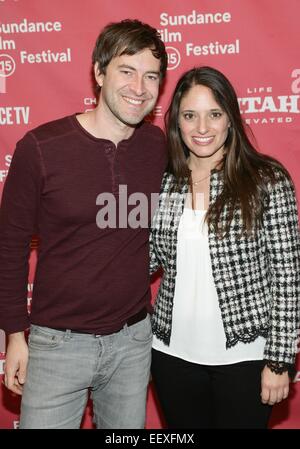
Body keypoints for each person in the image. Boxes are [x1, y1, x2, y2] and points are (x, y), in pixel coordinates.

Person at [0, 19, 167, 429]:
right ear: (98, 72)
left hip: (132, 342)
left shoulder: (158, 147)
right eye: (126, 71)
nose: (139, 88)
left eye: (151, 76)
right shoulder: (40, 148)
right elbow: (10, 245)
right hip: (57, 343)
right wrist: (14, 336)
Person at [149, 66, 299, 429]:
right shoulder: (164, 182)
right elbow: (143, 259)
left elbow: (288, 276)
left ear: (230, 119)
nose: (202, 128)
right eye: (190, 115)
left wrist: (279, 362)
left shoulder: (266, 179)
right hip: (171, 355)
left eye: (214, 114)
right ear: (176, 123)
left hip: (247, 358)